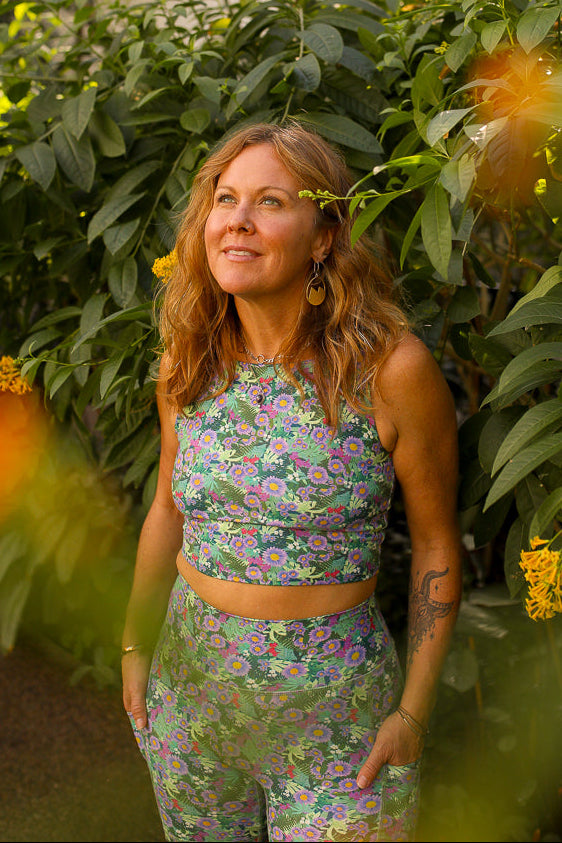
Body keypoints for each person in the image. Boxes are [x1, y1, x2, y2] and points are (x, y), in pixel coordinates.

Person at [121, 121, 462, 843]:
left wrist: (413, 714)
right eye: (226, 198)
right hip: (190, 710)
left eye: (270, 201)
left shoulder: (391, 371)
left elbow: (436, 544)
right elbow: (166, 511)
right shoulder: (188, 361)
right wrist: (133, 647)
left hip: (340, 732)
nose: (237, 221)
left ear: (324, 238)